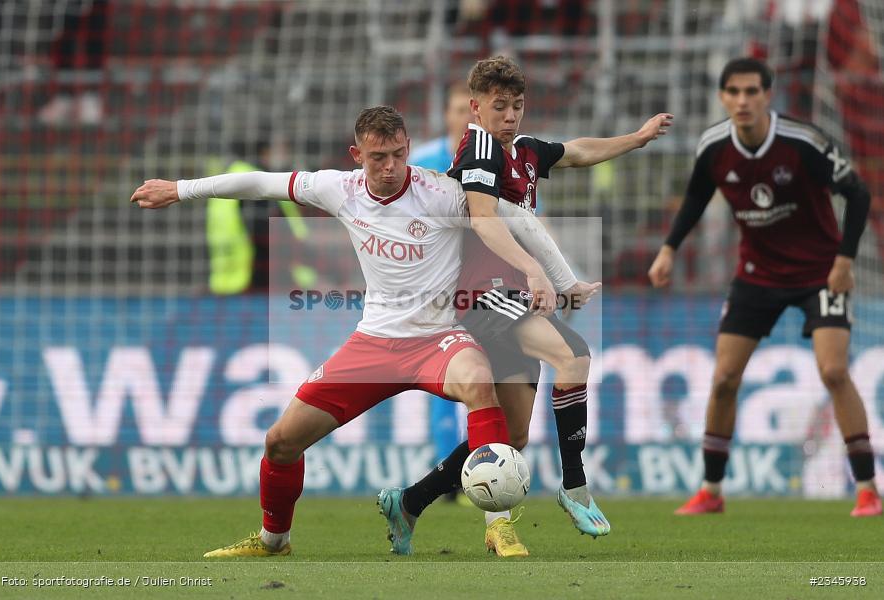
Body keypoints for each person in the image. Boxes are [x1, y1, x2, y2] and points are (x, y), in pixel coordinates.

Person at [131, 106, 583, 557]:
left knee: (481, 384)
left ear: (408, 149)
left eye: (397, 155)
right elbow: (260, 183)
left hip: (439, 338)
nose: (389, 167)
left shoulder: (442, 193)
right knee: (280, 442)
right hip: (374, 343)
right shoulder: (339, 189)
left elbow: (515, 218)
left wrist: (561, 279)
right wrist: (180, 189)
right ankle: (274, 541)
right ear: (357, 155)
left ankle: (498, 528)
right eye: (377, 158)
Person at [379, 55, 673, 557]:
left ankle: (408, 502)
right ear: (476, 107)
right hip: (481, 293)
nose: (510, 114)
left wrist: (636, 139)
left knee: (510, 435)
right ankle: (575, 485)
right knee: (574, 354)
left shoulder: (525, 151)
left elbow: (578, 150)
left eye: (517, 105)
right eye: (499, 106)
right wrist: (542, 271)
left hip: (514, 294)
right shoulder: (479, 149)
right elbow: (485, 221)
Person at [647, 57, 880, 518]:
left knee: (834, 371)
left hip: (820, 273)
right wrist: (669, 248)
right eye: (733, 92)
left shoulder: (803, 141)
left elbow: (857, 193)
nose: (742, 100)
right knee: (723, 378)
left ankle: (868, 489)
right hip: (757, 274)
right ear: (722, 97)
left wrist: (846, 260)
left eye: (752, 91)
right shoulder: (714, 146)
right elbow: (697, 196)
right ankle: (711, 491)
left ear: (767, 95)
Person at [410, 83, 474, 502]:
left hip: (480, 288)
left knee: (481, 383)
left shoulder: (497, 163)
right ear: (447, 115)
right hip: (431, 289)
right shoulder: (421, 163)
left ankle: (472, 472)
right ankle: (447, 475)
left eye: (470, 111)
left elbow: (524, 225)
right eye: (456, 110)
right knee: (441, 388)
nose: (464, 119)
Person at [206, 140, 318, 295]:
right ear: (265, 151)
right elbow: (273, 236)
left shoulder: (228, 177)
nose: (286, 154)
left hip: (228, 282)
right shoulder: (255, 183)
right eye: (283, 148)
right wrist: (321, 264)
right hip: (259, 283)